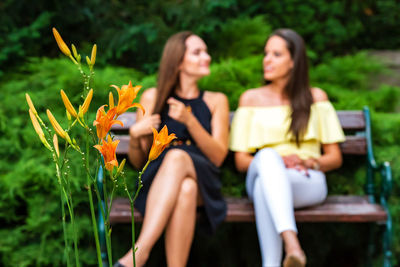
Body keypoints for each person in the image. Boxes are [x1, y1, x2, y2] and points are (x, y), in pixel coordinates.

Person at [229, 29, 345, 267]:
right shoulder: (250, 99)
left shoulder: (316, 98)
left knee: (265, 188)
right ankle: (292, 243)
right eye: (266, 54)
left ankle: (274, 262)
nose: (267, 60)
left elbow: (334, 158)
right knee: (269, 157)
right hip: (261, 169)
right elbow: (241, 161)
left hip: (306, 179)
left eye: (276, 54)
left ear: (294, 61)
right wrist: (277, 161)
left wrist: (307, 162)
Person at [114, 31, 229, 267]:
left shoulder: (216, 100)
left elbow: (218, 157)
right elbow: (138, 162)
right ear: (177, 61)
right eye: (197, 52)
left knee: (178, 157)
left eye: (205, 52)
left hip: (203, 176)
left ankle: (139, 253)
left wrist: (190, 122)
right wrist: (135, 135)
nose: (206, 57)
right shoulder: (153, 97)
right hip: (158, 179)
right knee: (185, 188)